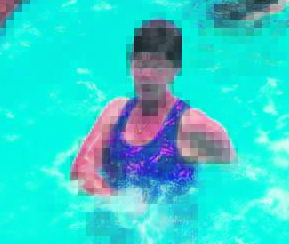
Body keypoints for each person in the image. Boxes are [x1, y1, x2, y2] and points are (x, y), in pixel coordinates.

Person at [71, 20, 234, 203]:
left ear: (175, 70)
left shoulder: (195, 125)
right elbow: (81, 171)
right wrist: (120, 203)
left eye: (157, 66)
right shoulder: (116, 112)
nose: (146, 74)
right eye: (140, 65)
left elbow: (232, 183)